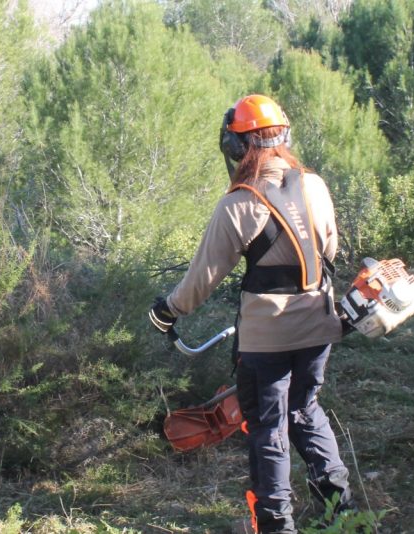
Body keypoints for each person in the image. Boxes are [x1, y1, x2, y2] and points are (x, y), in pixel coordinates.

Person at [148, 94, 354, 533]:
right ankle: (343, 511)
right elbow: (330, 250)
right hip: (320, 325)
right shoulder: (314, 184)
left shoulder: (239, 203)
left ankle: (277, 525)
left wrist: (167, 310)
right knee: (305, 410)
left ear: (239, 147)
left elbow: (202, 279)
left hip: (267, 339)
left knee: (268, 426)